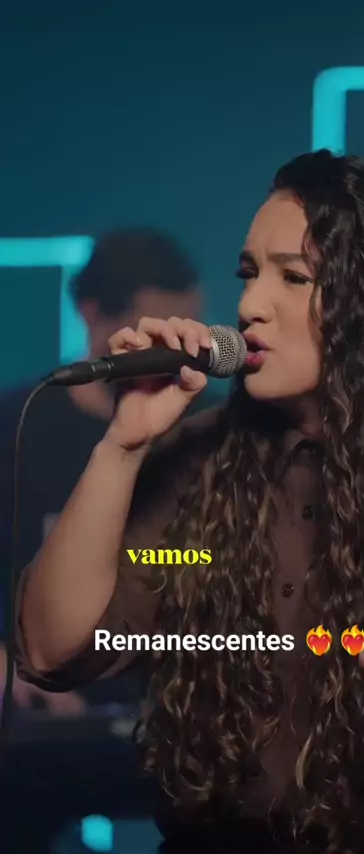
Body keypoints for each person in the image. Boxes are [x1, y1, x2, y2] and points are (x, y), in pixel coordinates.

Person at [14, 150, 364, 854]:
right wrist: (123, 445)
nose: (250, 306)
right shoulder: (199, 462)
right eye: (248, 274)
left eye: (293, 277)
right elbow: (53, 649)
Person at [0, 227, 216, 709]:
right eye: (154, 335)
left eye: (187, 333)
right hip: (47, 711)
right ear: (92, 313)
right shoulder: (17, 424)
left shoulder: (215, 426)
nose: (174, 353)